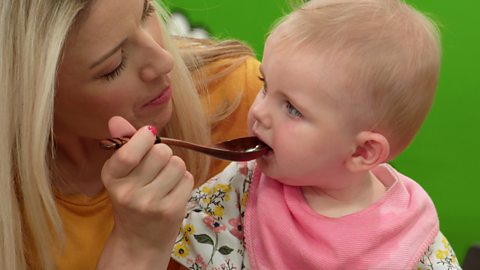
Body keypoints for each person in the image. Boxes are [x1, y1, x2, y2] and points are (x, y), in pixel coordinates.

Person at [172, 0, 462, 269]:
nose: (259, 112)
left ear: (362, 151)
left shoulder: (413, 244)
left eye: (292, 109)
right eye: (265, 85)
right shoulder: (240, 187)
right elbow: (172, 238)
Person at [0, 0, 262, 269]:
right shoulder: (14, 221)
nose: (164, 60)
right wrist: (137, 251)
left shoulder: (252, 104)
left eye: (146, 11)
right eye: (114, 65)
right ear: (33, 99)